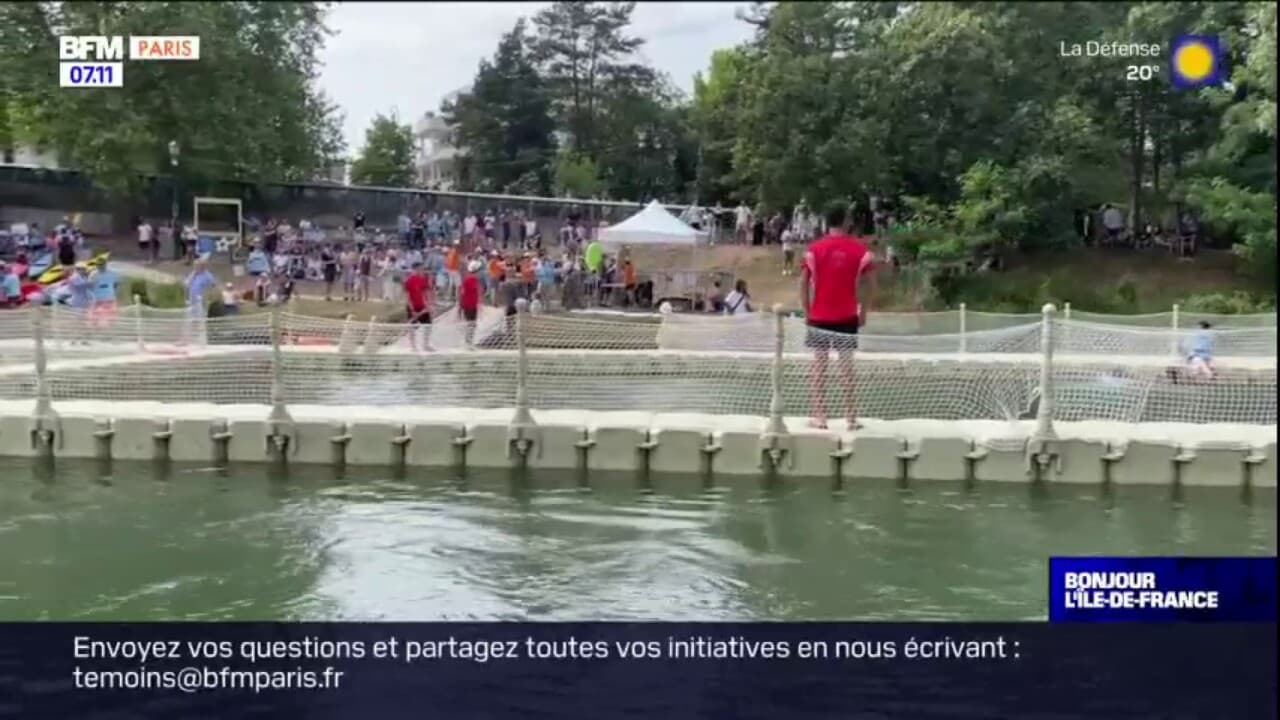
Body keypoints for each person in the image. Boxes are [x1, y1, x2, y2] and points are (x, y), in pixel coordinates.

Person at [802, 202, 875, 430]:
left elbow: (802, 283)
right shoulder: (859, 250)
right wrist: (864, 311)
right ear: (845, 220)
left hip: (819, 316)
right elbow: (870, 284)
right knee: (846, 367)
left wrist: (807, 311)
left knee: (819, 366)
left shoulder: (814, 249)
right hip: (847, 315)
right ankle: (851, 417)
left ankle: (820, 416)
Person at [403, 262, 434, 352]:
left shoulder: (423, 279)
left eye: (422, 269)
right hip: (412, 306)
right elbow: (407, 296)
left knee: (428, 325)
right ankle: (413, 346)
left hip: (422, 306)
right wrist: (412, 309)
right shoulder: (408, 280)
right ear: (415, 269)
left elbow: (425, 293)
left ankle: (426, 345)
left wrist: (428, 305)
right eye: (420, 269)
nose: (422, 271)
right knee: (412, 327)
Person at [459, 259, 482, 347]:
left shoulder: (468, 279)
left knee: (471, 323)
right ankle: (469, 341)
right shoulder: (471, 280)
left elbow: (462, 292)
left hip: (470, 304)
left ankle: (469, 340)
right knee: (471, 323)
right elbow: (463, 292)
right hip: (469, 305)